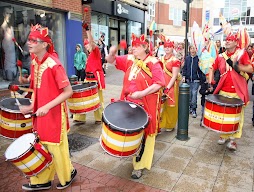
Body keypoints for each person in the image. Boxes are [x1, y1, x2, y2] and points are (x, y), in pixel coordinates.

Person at [19, 24, 76, 191]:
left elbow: (68, 91)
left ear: (44, 44)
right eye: (29, 39)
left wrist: (47, 107)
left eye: (34, 40)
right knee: (41, 146)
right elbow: (37, 89)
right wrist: (32, 105)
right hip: (40, 113)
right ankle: (41, 180)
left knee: (57, 149)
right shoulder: (34, 62)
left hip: (55, 114)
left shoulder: (54, 64)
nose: (29, 43)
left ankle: (67, 176)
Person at [106, 33, 165, 179]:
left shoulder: (154, 62)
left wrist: (141, 93)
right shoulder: (130, 58)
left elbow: (159, 83)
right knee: (132, 131)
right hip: (129, 102)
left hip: (146, 103)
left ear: (145, 47)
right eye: (133, 45)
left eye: (137, 46)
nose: (133, 48)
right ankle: (133, 152)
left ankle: (140, 165)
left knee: (146, 134)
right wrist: (112, 52)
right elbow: (111, 60)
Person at [208, 33, 253, 151]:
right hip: (223, 90)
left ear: (236, 43)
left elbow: (250, 68)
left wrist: (237, 67)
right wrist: (210, 80)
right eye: (226, 39)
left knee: (237, 116)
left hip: (238, 90)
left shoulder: (241, 54)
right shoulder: (221, 56)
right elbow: (212, 67)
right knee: (223, 115)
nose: (227, 41)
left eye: (230, 40)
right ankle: (223, 135)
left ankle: (233, 140)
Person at [73, 22, 105, 124]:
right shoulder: (89, 55)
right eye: (85, 45)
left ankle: (99, 117)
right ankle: (80, 117)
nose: (87, 47)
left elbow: (92, 43)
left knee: (98, 99)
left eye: (88, 45)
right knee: (83, 97)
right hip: (88, 78)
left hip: (95, 79)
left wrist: (87, 30)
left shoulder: (96, 52)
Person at [159, 36, 181, 132]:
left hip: (171, 85)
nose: (167, 48)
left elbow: (174, 76)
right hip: (161, 85)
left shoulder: (175, 60)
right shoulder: (161, 59)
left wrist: (168, 87)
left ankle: (170, 124)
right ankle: (159, 124)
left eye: (169, 46)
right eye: (166, 46)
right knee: (160, 105)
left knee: (171, 106)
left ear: (172, 48)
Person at [182, 45, 202, 118]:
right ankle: (190, 107)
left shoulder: (198, 58)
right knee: (189, 95)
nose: (192, 50)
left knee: (194, 94)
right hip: (188, 79)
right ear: (189, 50)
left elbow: (201, 69)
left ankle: (194, 109)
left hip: (196, 79)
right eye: (191, 48)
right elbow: (185, 68)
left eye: (194, 49)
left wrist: (200, 77)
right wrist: (184, 76)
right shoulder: (187, 58)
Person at [0, 7, 17, 81]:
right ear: (4, 14)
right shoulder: (2, 29)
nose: (9, 15)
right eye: (7, 13)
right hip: (7, 64)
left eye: (10, 14)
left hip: (15, 63)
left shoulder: (12, 28)